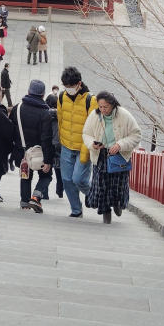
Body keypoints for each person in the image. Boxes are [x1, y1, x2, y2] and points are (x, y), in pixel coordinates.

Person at [83, 90, 141, 224]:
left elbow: (136, 134)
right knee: (101, 186)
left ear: (113, 104)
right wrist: (93, 144)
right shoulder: (94, 115)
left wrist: (121, 144)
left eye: (106, 107)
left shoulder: (124, 115)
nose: (103, 109)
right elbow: (86, 133)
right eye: (100, 106)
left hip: (119, 155)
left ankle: (118, 204)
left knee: (118, 185)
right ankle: (106, 213)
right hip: (100, 154)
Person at [12, 79, 55, 213]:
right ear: (43, 95)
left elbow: (11, 130)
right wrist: (48, 161)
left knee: (25, 176)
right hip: (39, 153)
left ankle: (24, 203)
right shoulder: (45, 113)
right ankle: (36, 196)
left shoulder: (17, 108)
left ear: (29, 92)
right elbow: (46, 138)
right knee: (46, 176)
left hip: (21, 151)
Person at [57, 67, 95, 218]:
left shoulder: (90, 100)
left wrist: (88, 150)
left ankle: (97, 195)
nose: (68, 89)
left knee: (79, 180)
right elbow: (60, 120)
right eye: (65, 86)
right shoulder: (61, 97)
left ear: (79, 84)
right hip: (66, 145)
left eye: (71, 86)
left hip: (83, 147)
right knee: (66, 180)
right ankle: (76, 210)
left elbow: (93, 128)